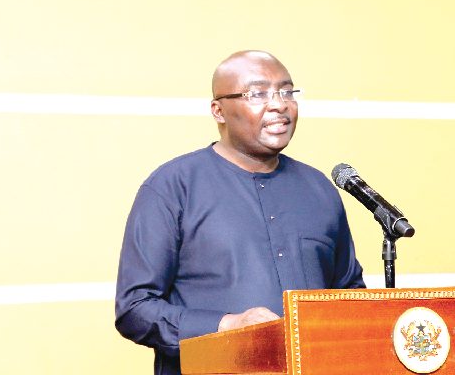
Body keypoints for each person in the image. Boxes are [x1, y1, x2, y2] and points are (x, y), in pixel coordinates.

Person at [115, 50, 365, 375]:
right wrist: (227, 325)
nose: (279, 105)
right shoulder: (172, 187)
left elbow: (350, 296)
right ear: (218, 111)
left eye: (287, 92)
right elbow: (135, 309)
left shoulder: (319, 189)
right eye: (258, 94)